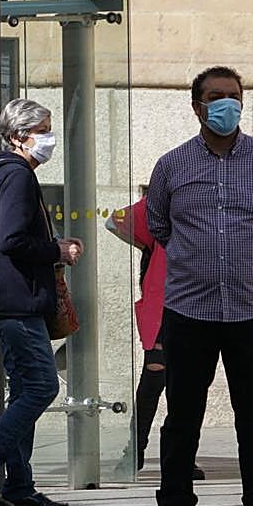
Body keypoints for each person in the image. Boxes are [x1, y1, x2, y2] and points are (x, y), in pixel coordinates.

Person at [147, 65, 253, 506]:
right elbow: (159, 226)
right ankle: (174, 505)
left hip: (250, 309)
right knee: (183, 413)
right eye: (216, 96)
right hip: (189, 311)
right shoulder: (172, 165)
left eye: (233, 96)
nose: (226, 104)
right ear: (197, 106)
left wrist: (245, 255)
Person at [0, 98, 83, 506]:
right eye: (41, 130)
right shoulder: (17, 176)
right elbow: (11, 240)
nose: (49, 138)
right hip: (16, 300)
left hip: (9, 298)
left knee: (25, 390)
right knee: (43, 387)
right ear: (17, 136)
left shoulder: (6, 174)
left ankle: (20, 487)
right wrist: (56, 249)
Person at [107, 190, 204, 482]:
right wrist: (148, 247)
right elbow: (115, 220)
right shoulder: (167, 201)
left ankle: (174, 456)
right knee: (159, 378)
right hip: (168, 302)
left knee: (183, 383)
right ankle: (136, 451)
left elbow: (116, 223)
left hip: (193, 301)